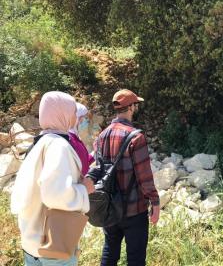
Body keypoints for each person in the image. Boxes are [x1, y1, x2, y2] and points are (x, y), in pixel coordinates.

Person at [10, 91, 95, 266]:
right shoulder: (58, 145)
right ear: (62, 113)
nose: (74, 117)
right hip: (52, 244)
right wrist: (84, 189)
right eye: (72, 111)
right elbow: (56, 194)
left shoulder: (39, 142)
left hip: (32, 240)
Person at [87, 89, 160, 266]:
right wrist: (155, 203)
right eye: (136, 104)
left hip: (109, 205)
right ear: (132, 107)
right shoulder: (136, 137)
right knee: (135, 258)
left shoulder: (102, 136)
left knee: (110, 251)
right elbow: (144, 177)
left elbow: (98, 169)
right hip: (134, 209)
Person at [69, 102, 94, 175]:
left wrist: (94, 154)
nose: (84, 121)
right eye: (82, 118)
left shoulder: (75, 137)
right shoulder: (70, 139)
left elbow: (83, 162)